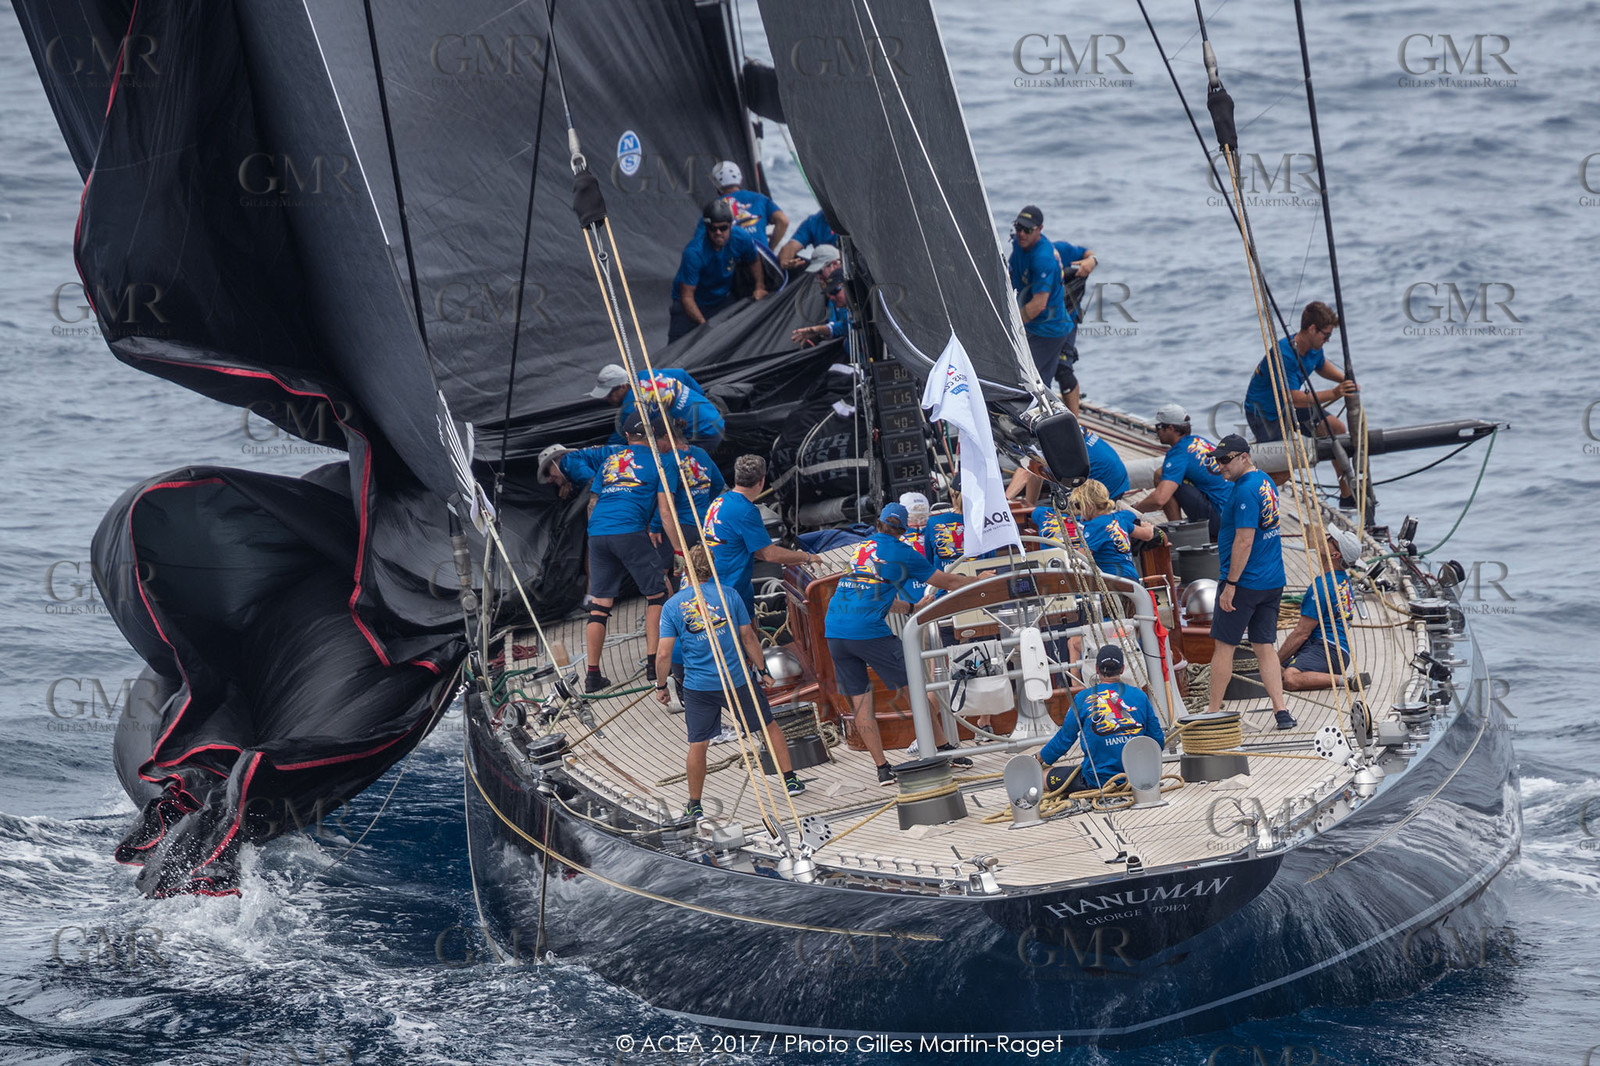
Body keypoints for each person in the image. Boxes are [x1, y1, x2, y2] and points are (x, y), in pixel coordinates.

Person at [823, 503, 978, 786]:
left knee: (861, 704)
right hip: (868, 631)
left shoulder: (862, 548)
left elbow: (873, 592)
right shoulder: (903, 552)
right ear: (903, 531)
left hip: (834, 631)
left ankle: (882, 769)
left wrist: (911, 608)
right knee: (913, 689)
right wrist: (982, 580)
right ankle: (944, 749)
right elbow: (947, 580)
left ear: (878, 524)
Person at [656, 545, 805, 820]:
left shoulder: (672, 606)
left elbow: (664, 652)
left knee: (698, 743)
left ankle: (695, 804)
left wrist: (661, 686)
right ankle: (790, 780)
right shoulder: (729, 595)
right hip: (737, 680)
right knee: (767, 726)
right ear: (712, 568)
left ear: (686, 570)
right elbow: (748, 637)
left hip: (699, 686)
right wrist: (762, 669)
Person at [556, 413, 682, 693]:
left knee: (600, 605)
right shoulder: (663, 463)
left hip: (598, 532)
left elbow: (593, 503)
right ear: (653, 435)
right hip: (629, 530)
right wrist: (678, 549)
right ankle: (653, 665)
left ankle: (592, 676)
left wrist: (597, 536)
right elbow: (665, 511)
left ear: (627, 437)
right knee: (657, 594)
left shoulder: (610, 462)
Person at [1206, 435, 1295, 729]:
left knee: (1224, 647)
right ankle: (1281, 711)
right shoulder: (1264, 481)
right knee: (1264, 645)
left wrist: (1230, 584)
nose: (1221, 467)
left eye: (1226, 460)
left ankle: (1213, 713)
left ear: (1244, 456)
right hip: (1272, 580)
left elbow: (1244, 541)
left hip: (1245, 582)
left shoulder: (1244, 492)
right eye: (1218, 461)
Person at [702, 455, 821, 619]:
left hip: (715, 584)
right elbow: (768, 554)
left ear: (737, 477)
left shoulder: (719, 501)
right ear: (761, 482)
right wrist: (806, 557)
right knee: (747, 639)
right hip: (729, 589)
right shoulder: (746, 511)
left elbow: (757, 551)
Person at [1035, 644, 1165, 792]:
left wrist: (1040, 757)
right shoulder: (1140, 696)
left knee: (1042, 778)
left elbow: (1064, 739)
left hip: (1097, 780)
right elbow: (1157, 741)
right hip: (1138, 778)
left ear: (1096, 669)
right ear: (1122, 669)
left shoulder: (1082, 698)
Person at [1244, 301, 1358, 443]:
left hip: (1289, 408)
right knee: (1285, 461)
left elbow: (1320, 365)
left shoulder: (1314, 348)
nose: (1327, 340)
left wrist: (1344, 381)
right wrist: (1335, 393)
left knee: (1335, 429)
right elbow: (1294, 399)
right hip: (1264, 413)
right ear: (1312, 329)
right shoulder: (1284, 355)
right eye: (1326, 335)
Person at [1131, 402, 1232, 541]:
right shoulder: (1200, 441)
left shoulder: (1179, 453)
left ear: (1171, 428)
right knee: (1163, 473)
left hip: (1220, 522)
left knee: (1162, 478)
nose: (1156, 431)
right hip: (1232, 513)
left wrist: (1133, 510)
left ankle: (1180, 535)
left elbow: (1160, 499)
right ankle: (1179, 526)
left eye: (1158, 427)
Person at [669, 199, 766, 342]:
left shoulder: (741, 238)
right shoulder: (694, 252)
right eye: (713, 229)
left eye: (723, 228)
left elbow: (754, 260)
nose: (718, 233)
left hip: (722, 299)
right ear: (707, 228)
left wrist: (759, 286)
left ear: (731, 226)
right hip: (691, 303)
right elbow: (687, 297)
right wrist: (705, 326)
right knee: (676, 349)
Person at [1280, 527, 1361, 691]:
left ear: (1335, 555)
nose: (1327, 538)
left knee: (1290, 678)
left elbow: (1301, 633)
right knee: (1277, 671)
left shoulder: (1322, 587)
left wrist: (1274, 661)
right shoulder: (1342, 580)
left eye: (1331, 539)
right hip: (1336, 652)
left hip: (1326, 649)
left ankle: (1347, 680)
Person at [1006, 205, 1072, 401]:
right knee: (1039, 383)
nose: (1021, 234)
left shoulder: (1043, 258)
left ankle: (1050, 425)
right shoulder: (1019, 244)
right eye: (1018, 227)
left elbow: (1038, 305)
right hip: (1032, 325)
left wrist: (1009, 328)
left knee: (1029, 382)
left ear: (1039, 229)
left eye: (1027, 230)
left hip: (1048, 330)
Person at [588, 364, 726, 452]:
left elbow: (618, 441)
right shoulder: (649, 373)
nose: (607, 399)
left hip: (704, 435)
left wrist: (599, 453)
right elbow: (682, 374)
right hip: (714, 415)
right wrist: (702, 397)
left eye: (610, 394)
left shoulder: (631, 408)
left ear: (623, 386)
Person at [652, 440, 725, 590]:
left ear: (666, 437)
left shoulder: (669, 460)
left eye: (656, 441)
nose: (655, 446)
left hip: (680, 526)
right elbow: (718, 482)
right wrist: (705, 503)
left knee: (661, 573)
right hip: (703, 524)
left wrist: (655, 526)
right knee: (701, 569)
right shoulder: (701, 453)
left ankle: (668, 609)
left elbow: (665, 504)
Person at [1007, 426, 1129, 505]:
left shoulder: (1044, 440)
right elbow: (1035, 471)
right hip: (1118, 476)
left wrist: (1003, 504)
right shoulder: (1056, 424)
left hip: (1105, 490)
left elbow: (1026, 471)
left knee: (1044, 514)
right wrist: (1030, 504)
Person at [1069, 479, 1159, 582]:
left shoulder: (1095, 525)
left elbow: (1079, 558)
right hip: (1131, 578)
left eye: (1078, 505)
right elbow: (1147, 535)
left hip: (1112, 581)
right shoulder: (1119, 519)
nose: (1079, 511)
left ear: (1089, 505)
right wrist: (1148, 526)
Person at [1051, 235, 1097, 412]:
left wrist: (1091, 261)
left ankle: (1074, 423)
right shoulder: (1025, 260)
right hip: (1039, 325)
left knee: (1064, 369)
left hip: (1067, 320)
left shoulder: (1060, 249)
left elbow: (1089, 254)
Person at [708, 160, 787, 250]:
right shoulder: (760, 198)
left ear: (716, 185)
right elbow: (783, 221)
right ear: (740, 179)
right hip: (760, 251)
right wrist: (770, 249)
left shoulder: (713, 207)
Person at [791, 258, 851, 347]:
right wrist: (817, 331)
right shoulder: (833, 303)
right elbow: (842, 327)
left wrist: (819, 330)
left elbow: (846, 327)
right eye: (830, 293)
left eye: (835, 292)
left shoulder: (866, 303)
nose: (831, 297)